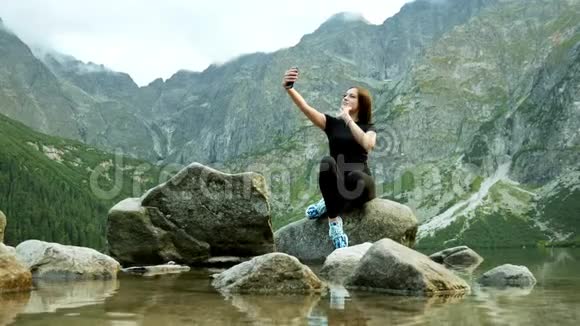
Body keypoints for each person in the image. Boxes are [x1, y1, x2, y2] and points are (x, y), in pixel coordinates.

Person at [282, 67, 377, 249]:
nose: (345, 98)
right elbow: (305, 108)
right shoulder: (332, 124)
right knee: (327, 162)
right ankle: (334, 223)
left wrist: (348, 119)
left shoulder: (368, 127)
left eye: (351, 96)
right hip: (339, 182)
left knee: (355, 177)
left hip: (361, 185)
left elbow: (367, 144)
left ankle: (327, 203)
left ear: (362, 103)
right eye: (344, 95)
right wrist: (289, 88)